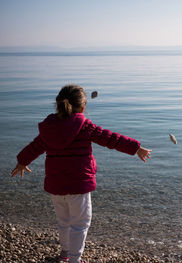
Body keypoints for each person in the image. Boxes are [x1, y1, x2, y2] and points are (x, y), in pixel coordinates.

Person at [11, 84, 152, 263]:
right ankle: (75, 260)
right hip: (78, 185)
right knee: (80, 224)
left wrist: (22, 161)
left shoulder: (49, 128)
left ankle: (65, 253)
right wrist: (135, 147)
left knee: (64, 221)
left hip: (55, 185)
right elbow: (110, 138)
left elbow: (35, 147)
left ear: (59, 104)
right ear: (83, 107)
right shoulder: (84, 126)